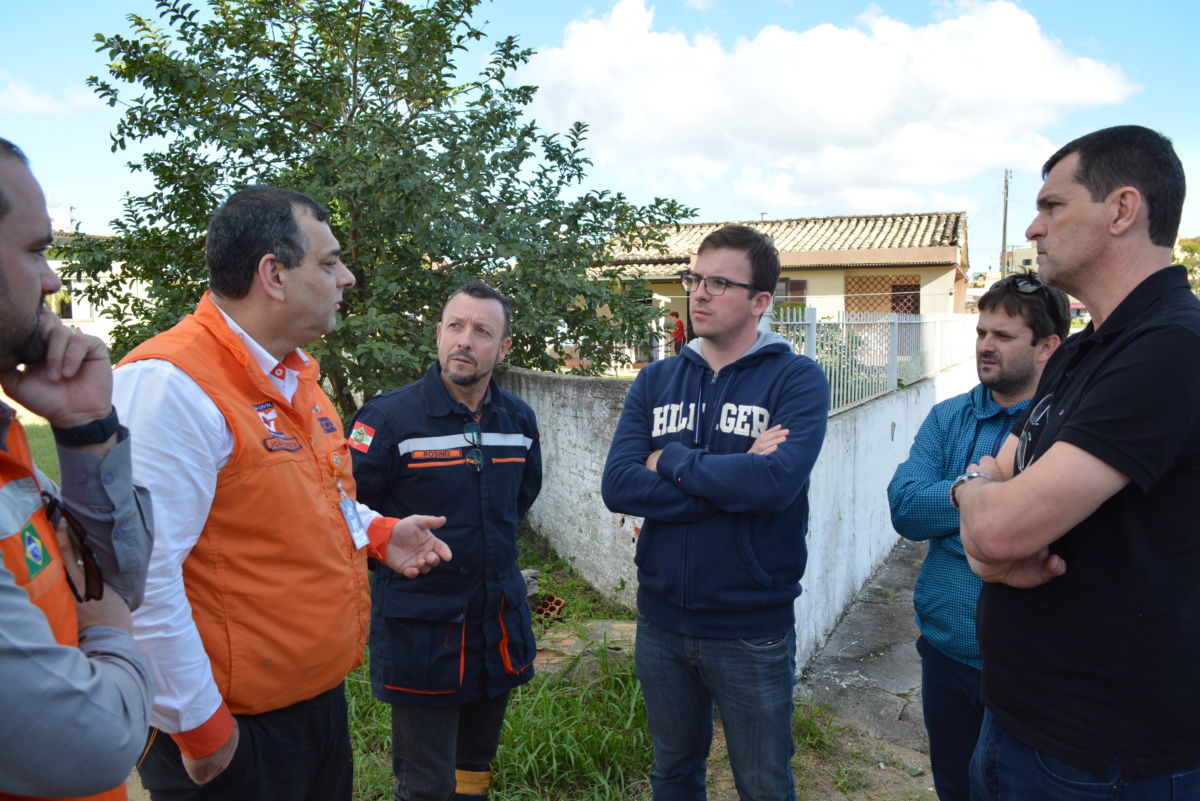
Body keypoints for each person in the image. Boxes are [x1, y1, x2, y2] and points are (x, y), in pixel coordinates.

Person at [111, 185, 452, 800]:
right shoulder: (172, 387)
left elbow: (318, 498)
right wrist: (204, 732)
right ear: (273, 274)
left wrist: (378, 533)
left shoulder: (293, 376)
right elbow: (140, 578)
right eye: (328, 262)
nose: (346, 278)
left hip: (311, 710)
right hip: (232, 735)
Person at [955, 125, 1200, 799]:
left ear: (1122, 209)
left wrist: (982, 521)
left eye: (1053, 206)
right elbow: (999, 475)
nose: (1034, 227)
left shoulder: (1170, 348)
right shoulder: (1084, 349)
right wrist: (980, 511)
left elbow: (999, 526)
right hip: (1020, 726)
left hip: (1104, 761)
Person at [602, 224, 829, 801]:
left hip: (750, 628)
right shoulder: (656, 379)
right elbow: (619, 485)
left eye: (719, 283)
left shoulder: (796, 379)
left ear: (760, 302)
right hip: (661, 620)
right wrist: (730, 474)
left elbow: (776, 483)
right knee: (673, 775)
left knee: (763, 783)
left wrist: (671, 457)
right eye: (695, 279)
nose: (698, 293)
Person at [0, 137, 153, 799]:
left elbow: (121, 571)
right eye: (36, 251)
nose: (55, 280)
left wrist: (85, 426)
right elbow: (97, 741)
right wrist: (113, 631)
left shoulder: (9, 445)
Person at [349, 281, 541, 801]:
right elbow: (342, 512)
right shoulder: (388, 418)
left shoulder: (519, 422)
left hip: (496, 625)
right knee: (427, 785)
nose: (465, 340)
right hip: (423, 634)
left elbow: (519, 501)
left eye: (482, 331)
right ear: (438, 335)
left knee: (474, 769)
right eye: (455, 326)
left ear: (502, 349)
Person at [887, 271, 1068, 801]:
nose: (986, 346)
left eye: (1004, 336)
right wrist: (975, 490)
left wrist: (965, 505)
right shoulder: (949, 417)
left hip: (1034, 669)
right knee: (955, 790)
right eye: (982, 332)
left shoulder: (1067, 425)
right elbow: (904, 506)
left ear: (1047, 347)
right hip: (945, 655)